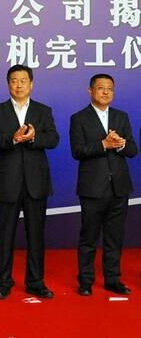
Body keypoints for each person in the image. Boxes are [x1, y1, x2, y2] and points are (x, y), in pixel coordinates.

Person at [0, 64, 59, 300]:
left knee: (36, 235)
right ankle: (3, 282)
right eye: (14, 81)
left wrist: (34, 137)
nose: (18, 85)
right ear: (8, 84)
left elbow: (53, 139)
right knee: (4, 235)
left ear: (31, 84)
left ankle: (35, 282)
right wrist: (13, 139)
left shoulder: (43, 111)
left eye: (23, 81)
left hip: (36, 182)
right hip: (8, 182)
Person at [70, 73, 138, 296]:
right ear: (90, 91)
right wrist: (103, 144)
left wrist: (121, 144)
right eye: (101, 88)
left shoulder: (121, 117)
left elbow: (133, 150)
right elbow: (77, 151)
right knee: (88, 237)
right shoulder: (79, 118)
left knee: (114, 237)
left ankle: (113, 279)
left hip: (119, 186)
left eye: (110, 88)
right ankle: (86, 280)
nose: (106, 92)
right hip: (92, 188)